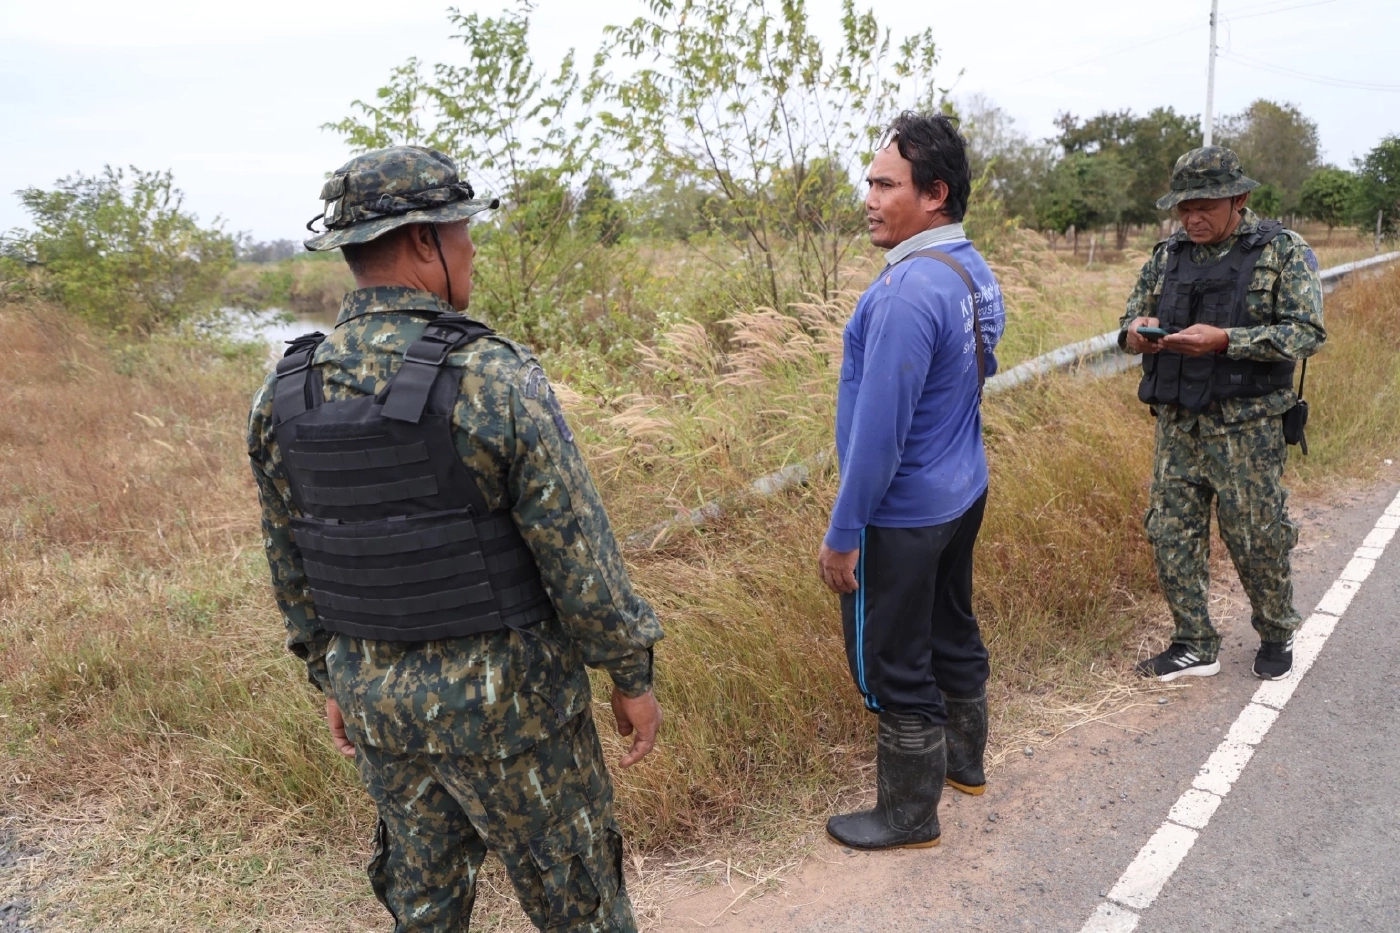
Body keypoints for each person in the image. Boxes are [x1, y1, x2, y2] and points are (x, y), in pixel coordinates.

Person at [247, 145, 663, 932]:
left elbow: (291, 563)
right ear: (421, 242)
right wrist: (631, 674)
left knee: (424, 913)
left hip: (382, 718)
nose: (470, 248)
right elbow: (581, 558)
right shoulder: (492, 376)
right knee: (582, 909)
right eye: (461, 230)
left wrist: (330, 677)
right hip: (518, 722)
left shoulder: (286, 393)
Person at [818, 112, 1006, 851]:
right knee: (952, 627)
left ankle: (907, 814)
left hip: (902, 513)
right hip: (963, 490)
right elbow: (977, 371)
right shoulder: (971, 270)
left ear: (935, 194)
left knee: (895, 659)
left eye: (884, 183)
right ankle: (965, 765)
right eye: (869, 180)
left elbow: (878, 438)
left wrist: (842, 535)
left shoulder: (901, 294)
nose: (868, 196)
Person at [1121, 146, 1324, 683]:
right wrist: (1134, 332)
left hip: (1248, 429)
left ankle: (1276, 632)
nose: (1192, 218)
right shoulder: (1167, 255)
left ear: (1240, 199)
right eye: (1184, 207)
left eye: (1205, 205)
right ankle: (1193, 642)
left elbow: (1306, 332)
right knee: (1170, 533)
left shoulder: (1282, 250)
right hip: (1178, 425)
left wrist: (1226, 341)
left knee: (1256, 536)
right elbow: (1128, 319)